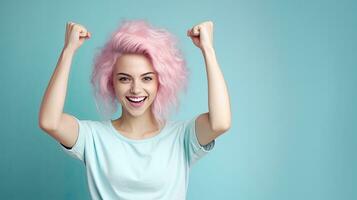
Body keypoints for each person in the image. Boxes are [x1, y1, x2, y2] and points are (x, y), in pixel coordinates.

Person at [38, 20, 231, 199]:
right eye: (124, 78)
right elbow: (50, 122)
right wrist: (68, 50)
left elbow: (220, 123)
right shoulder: (94, 137)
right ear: (110, 82)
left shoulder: (181, 137)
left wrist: (208, 50)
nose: (136, 89)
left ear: (160, 82)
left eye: (146, 78)